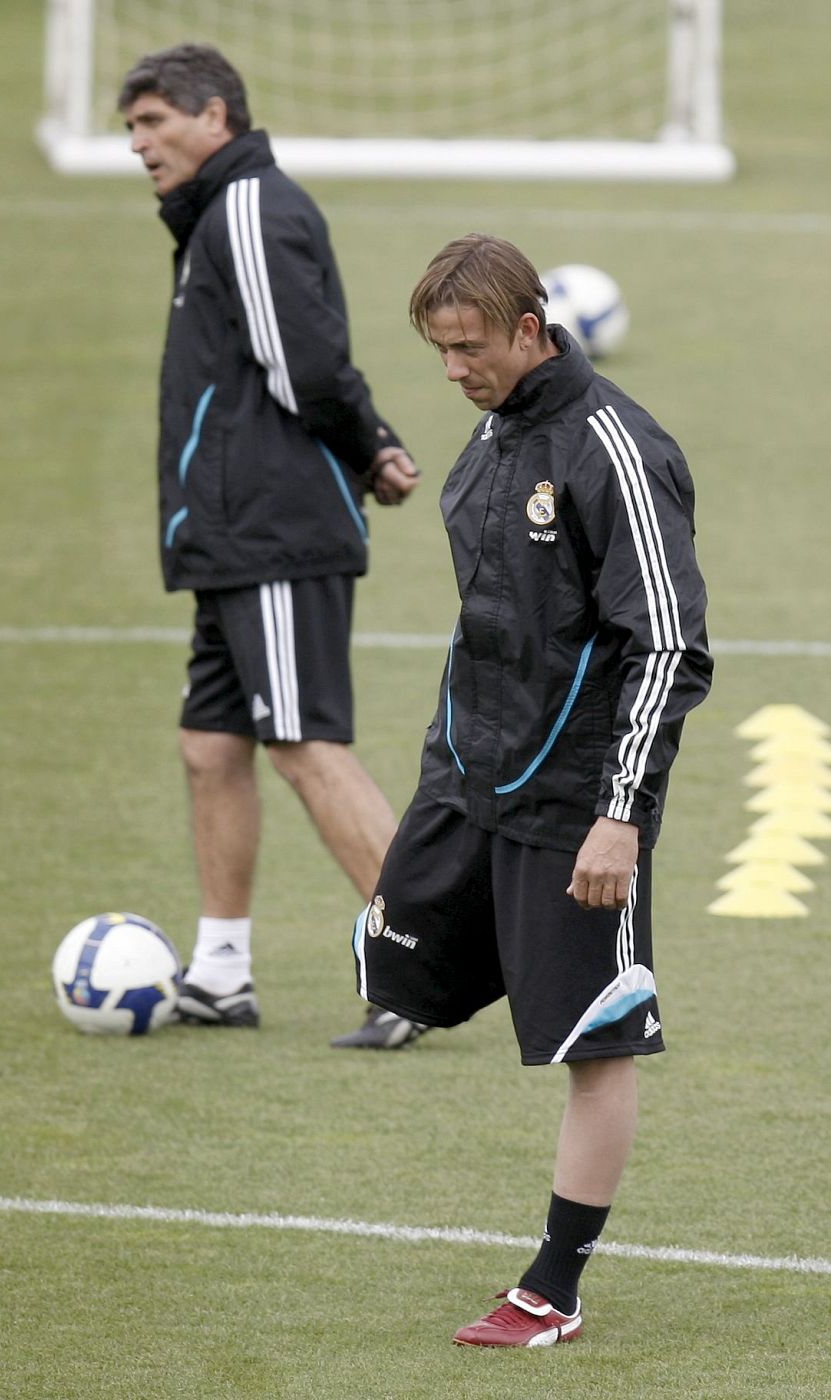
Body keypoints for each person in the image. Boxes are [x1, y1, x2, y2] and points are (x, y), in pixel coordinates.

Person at [350, 234, 712, 1345]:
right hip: (468, 776)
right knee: (395, 961)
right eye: (437, 351)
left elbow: (666, 647)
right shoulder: (492, 430)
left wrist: (620, 817)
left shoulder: (615, 449)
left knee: (592, 1039)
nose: (452, 370)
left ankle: (551, 1289)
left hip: (573, 803)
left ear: (527, 328)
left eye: (468, 348)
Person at [118, 44, 423, 1045]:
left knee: (302, 744)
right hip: (230, 535)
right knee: (211, 746)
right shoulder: (216, 214)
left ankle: (420, 964)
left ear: (215, 116)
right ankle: (219, 973)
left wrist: (367, 446)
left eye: (153, 122)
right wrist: (372, 445)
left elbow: (305, 366)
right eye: (131, 128)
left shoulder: (247, 206)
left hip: (273, 530)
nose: (139, 144)